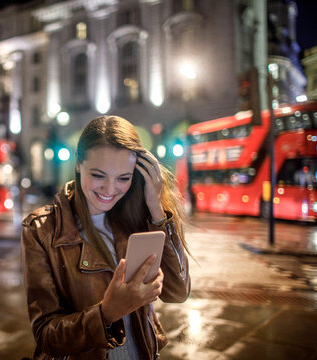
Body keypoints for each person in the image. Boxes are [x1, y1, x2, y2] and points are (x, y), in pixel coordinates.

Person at [21, 115, 191, 360]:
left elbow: (178, 292)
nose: (110, 190)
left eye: (124, 178)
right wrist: (106, 313)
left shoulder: (138, 217)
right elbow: (46, 337)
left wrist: (156, 208)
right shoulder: (42, 229)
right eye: (98, 175)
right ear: (79, 164)